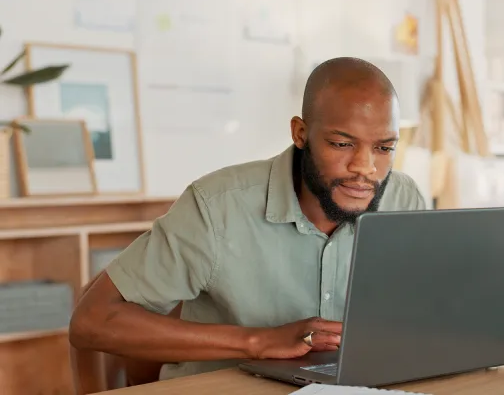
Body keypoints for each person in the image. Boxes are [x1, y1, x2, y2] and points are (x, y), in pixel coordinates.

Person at [68, 57, 427, 382]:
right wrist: (259, 340)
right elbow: (91, 322)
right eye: (342, 144)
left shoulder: (403, 199)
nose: (365, 168)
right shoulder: (216, 207)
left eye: (384, 148)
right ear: (301, 133)